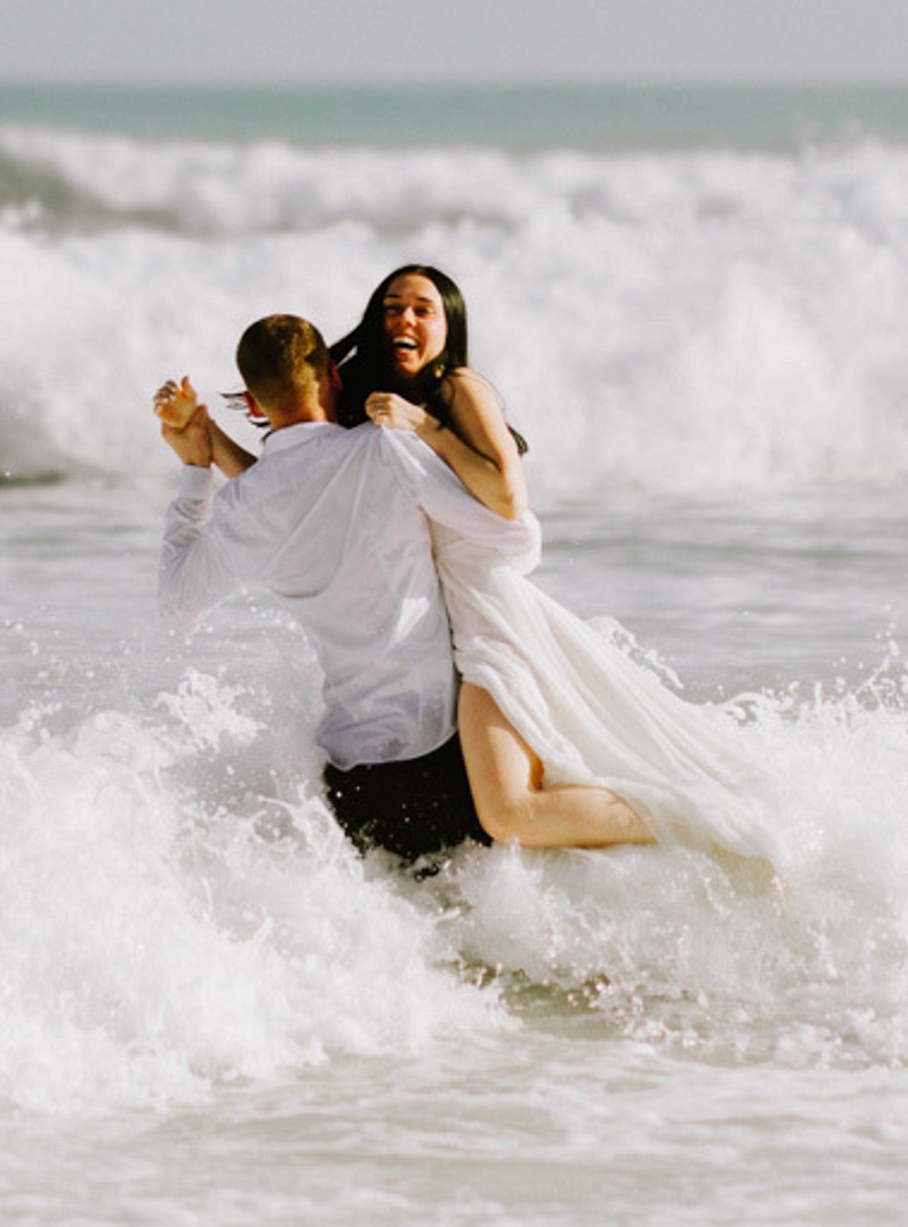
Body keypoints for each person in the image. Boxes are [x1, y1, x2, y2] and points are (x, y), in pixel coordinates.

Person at [185, 267, 782, 875]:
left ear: (450, 327)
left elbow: (509, 506)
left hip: (487, 621)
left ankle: (686, 818)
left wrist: (422, 427)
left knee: (508, 814)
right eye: (392, 307)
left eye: (424, 310)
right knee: (516, 814)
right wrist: (208, 442)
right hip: (449, 628)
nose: (405, 320)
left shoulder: (457, 390)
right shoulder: (371, 417)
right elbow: (297, 498)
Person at [153, 314, 652, 866]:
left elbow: (177, 602)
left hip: (355, 790)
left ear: (253, 402)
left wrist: (197, 470)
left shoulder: (243, 505)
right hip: (447, 759)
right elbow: (515, 539)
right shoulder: (384, 450)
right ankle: (663, 817)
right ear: (333, 377)